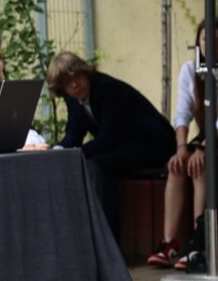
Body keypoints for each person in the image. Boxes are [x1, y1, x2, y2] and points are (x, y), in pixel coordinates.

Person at [50, 51, 177, 246]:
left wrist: (74, 155)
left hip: (153, 143)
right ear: (62, 89)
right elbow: (73, 136)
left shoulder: (106, 89)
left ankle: (110, 241)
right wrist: (56, 152)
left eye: (78, 77)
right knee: (93, 163)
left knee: (98, 165)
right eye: (68, 82)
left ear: (86, 73)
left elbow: (108, 140)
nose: (75, 84)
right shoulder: (74, 99)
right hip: (125, 146)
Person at [155, 19, 218, 270]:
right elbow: (182, 113)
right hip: (202, 139)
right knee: (177, 166)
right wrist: (181, 148)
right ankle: (168, 242)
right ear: (198, 41)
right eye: (206, 39)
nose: (213, 46)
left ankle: (199, 243)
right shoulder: (190, 70)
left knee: (200, 166)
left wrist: (201, 148)